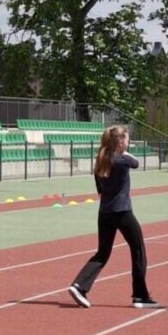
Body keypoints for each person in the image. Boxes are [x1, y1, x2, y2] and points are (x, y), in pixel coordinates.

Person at [68, 125, 158, 309]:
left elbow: (100, 193)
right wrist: (123, 152)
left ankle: (79, 285)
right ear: (119, 142)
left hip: (105, 213)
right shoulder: (123, 161)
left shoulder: (100, 163)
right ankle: (140, 296)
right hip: (122, 211)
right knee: (138, 250)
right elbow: (136, 163)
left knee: (102, 253)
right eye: (126, 139)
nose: (128, 142)